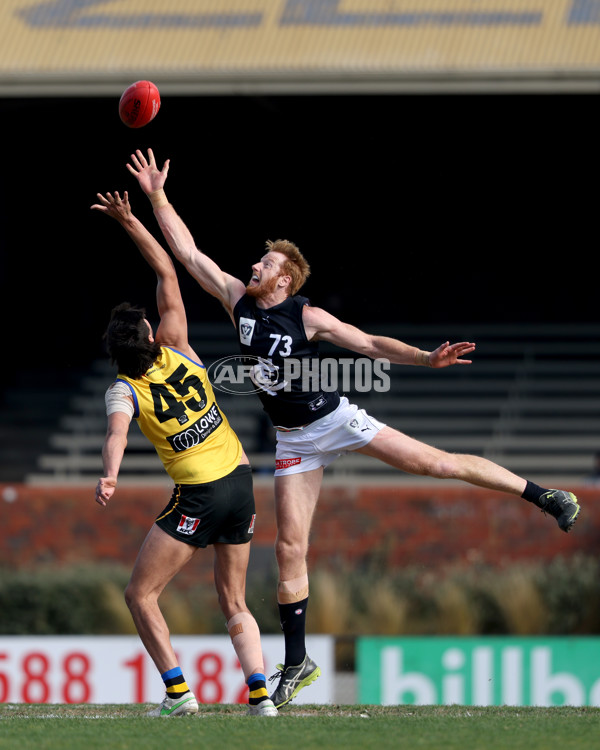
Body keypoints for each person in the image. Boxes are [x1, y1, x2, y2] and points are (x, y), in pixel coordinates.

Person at [124, 148, 581, 709]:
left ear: (285, 279)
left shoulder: (306, 316)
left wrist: (425, 358)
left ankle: (544, 495)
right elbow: (186, 251)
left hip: (334, 420)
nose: (253, 267)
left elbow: (366, 344)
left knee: (437, 464)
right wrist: (155, 195)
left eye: (264, 264)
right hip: (292, 440)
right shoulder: (237, 299)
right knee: (291, 547)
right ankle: (296, 663)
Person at [91, 189, 278, 718]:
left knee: (139, 595)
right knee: (234, 600)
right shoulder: (177, 346)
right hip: (241, 484)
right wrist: (130, 221)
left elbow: (118, 436)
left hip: (199, 495)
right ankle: (260, 699)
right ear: (148, 335)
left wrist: (110, 476)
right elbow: (169, 275)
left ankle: (179, 694)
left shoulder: (123, 389)